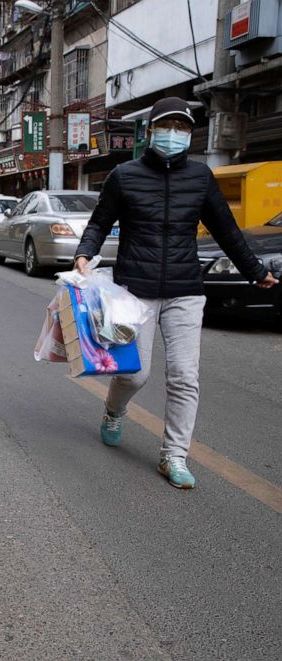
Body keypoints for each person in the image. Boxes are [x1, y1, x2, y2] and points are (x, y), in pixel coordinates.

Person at [75, 96, 278, 489]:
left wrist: (256, 272)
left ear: (189, 133)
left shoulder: (201, 177)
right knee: (135, 374)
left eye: (182, 127)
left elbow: (227, 231)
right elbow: (100, 223)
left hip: (186, 290)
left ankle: (174, 455)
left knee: (185, 377)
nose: (174, 134)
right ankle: (114, 412)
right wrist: (85, 253)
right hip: (135, 290)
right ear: (151, 131)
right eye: (167, 126)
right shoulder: (124, 175)